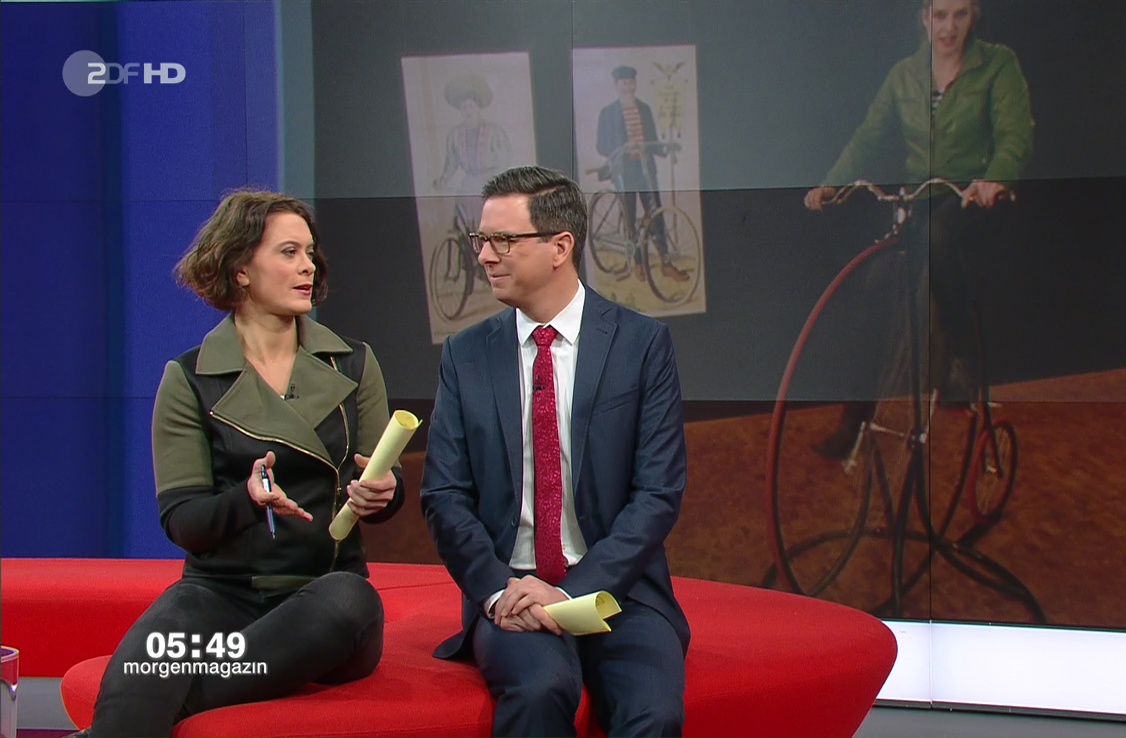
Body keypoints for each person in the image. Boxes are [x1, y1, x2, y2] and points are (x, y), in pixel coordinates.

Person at [72, 190, 405, 737]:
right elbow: (184, 522)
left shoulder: (353, 363)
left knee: (348, 600)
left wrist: (384, 493)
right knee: (140, 672)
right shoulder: (189, 378)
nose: (308, 266)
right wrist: (246, 501)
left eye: (310, 253)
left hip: (323, 593)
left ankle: (171, 707)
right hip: (220, 594)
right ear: (240, 268)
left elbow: (381, 491)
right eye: (289, 252)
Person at [422, 165, 689, 738]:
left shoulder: (641, 344)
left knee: (654, 713)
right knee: (541, 689)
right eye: (481, 239)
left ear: (560, 247)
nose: (485, 255)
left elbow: (658, 493)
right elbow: (444, 495)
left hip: (621, 591)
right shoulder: (466, 355)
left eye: (503, 240)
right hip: (511, 590)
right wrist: (499, 592)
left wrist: (572, 591)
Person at [803, 0, 1033, 455]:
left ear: (974, 17)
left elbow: (1016, 133)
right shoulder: (904, 75)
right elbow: (868, 135)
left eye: (960, 15)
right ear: (925, 17)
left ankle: (961, 359)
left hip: (970, 199)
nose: (949, 27)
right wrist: (831, 183)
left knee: (939, 237)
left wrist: (996, 178)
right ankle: (853, 421)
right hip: (920, 200)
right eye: (940, 15)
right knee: (874, 287)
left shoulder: (998, 65)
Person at [595, 65, 689, 284]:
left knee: (656, 214)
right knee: (630, 217)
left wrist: (666, 148)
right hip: (624, 171)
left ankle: (666, 263)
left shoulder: (644, 109)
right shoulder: (608, 113)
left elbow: (653, 140)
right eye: (624, 83)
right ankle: (636, 263)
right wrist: (622, 146)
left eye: (631, 82)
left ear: (635, 84)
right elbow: (601, 145)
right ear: (616, 85)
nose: (628, 87)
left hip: (646, 169)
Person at [433, 73, 513, 198]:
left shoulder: (494, 131)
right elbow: (452, 161)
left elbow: (504, 158)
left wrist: (496, 180)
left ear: (478, 108)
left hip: (491, 182)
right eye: (464, 107)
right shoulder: (454, 135)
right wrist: (444, 179)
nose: (468, 111)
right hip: (468, 185)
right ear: (460, 110)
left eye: (471, 106)